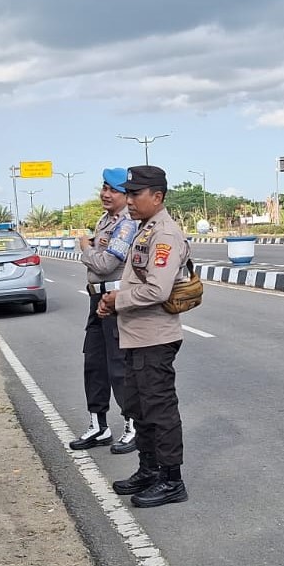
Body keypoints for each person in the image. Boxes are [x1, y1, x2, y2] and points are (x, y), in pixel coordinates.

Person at [97, 165, 191, 508]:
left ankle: (171, 479)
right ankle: (149, 469)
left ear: (157, 197)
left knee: (159, 410)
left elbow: (157, 289)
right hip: (135, 335)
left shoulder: (164, 234)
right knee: (138, 408)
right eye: (130, 193)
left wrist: (117, 300)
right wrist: (113, 301)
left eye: (136, 194)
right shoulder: (143, 229)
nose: (130, 200)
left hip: (155, 336)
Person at [69, 168, 139, 453]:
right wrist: (93, 251)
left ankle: (133, 425)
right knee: (94, 363)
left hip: (115, 301)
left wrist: (85, 247)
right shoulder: (105, 220)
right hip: (95, 300)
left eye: (113, 190)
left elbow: (105, 265)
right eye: (104, 188)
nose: (105, 194)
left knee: (119, 366)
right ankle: (98, 425)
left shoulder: (126, 224)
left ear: (126, 195)